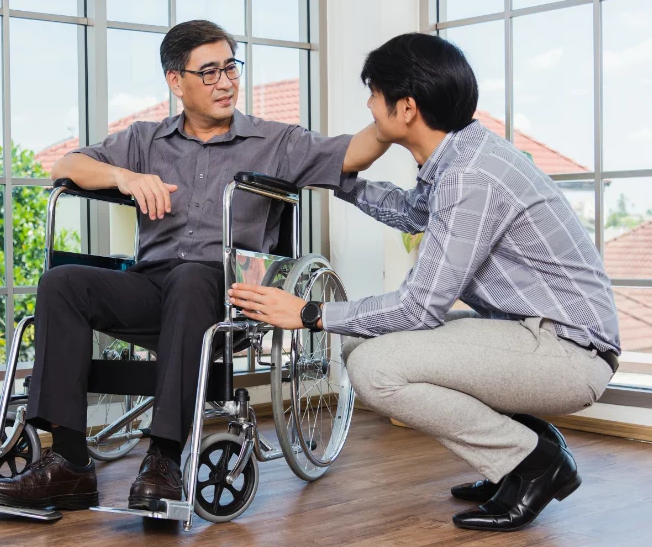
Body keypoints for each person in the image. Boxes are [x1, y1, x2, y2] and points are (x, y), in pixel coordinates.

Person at [0, 19, 389, 512]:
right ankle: (69, 465)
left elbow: (354, 153)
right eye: (210, 71)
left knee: (194, 276)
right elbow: (65, 167)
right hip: (153, 286)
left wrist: (399, 112)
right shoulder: (145, 140)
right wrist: (124, 177)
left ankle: (164, 460)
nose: (225, 82)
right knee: (62, 283)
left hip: (225, 294)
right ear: (177, 81)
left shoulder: (275, 141)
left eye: (231, 68)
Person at [228, 32, 620, 532]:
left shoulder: (470, 176)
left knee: (376, 369)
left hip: (569, 354)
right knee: (362, 348)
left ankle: (531, 463)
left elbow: (419, 309)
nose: (370, 106)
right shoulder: (460, 155)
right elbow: (415, 212)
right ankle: (521, 450)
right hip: (535, 336)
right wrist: (337, 178)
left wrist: (308, 313)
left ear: (406, 108)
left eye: (374, 94)